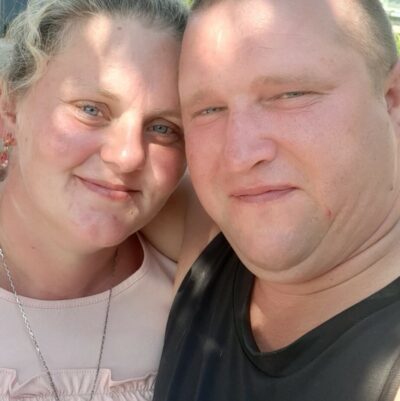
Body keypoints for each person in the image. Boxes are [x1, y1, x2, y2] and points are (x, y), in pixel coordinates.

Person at [153, 0, 400, 400]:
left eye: (290, 94)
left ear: (392, 98)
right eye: (208, 109)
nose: (238, 155)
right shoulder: (209, 230)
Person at [0, 0, 188, 399]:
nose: (128, 156)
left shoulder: (198, 296)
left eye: (162, 127)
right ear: (9, 107)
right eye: (91, 110)